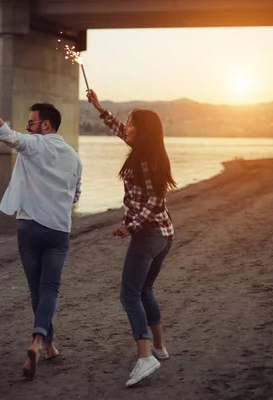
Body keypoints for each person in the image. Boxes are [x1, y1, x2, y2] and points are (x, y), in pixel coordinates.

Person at [0, 81, 82, 379]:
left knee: (38, 290)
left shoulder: (35, 144)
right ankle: (45, 344)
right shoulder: (75, 158)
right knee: (49, 289)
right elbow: (76, 196)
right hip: (58, 230)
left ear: (45, 125)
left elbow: (3, 133)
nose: (28, 127)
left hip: (30, 227)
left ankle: (42, 343)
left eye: (31, 123)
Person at [87, 89, 176, 387]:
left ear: (143, 131)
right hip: (164, 235)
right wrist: (99, 107)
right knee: (145, 289)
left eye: (131, 122)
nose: (126, 126)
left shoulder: (148, 162)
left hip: (149, 234)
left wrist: (131, 226)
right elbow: (117, 129)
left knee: (129, 294)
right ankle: (160, 348)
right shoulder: (143, 150)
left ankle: (145, 356)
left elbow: (156, 201)